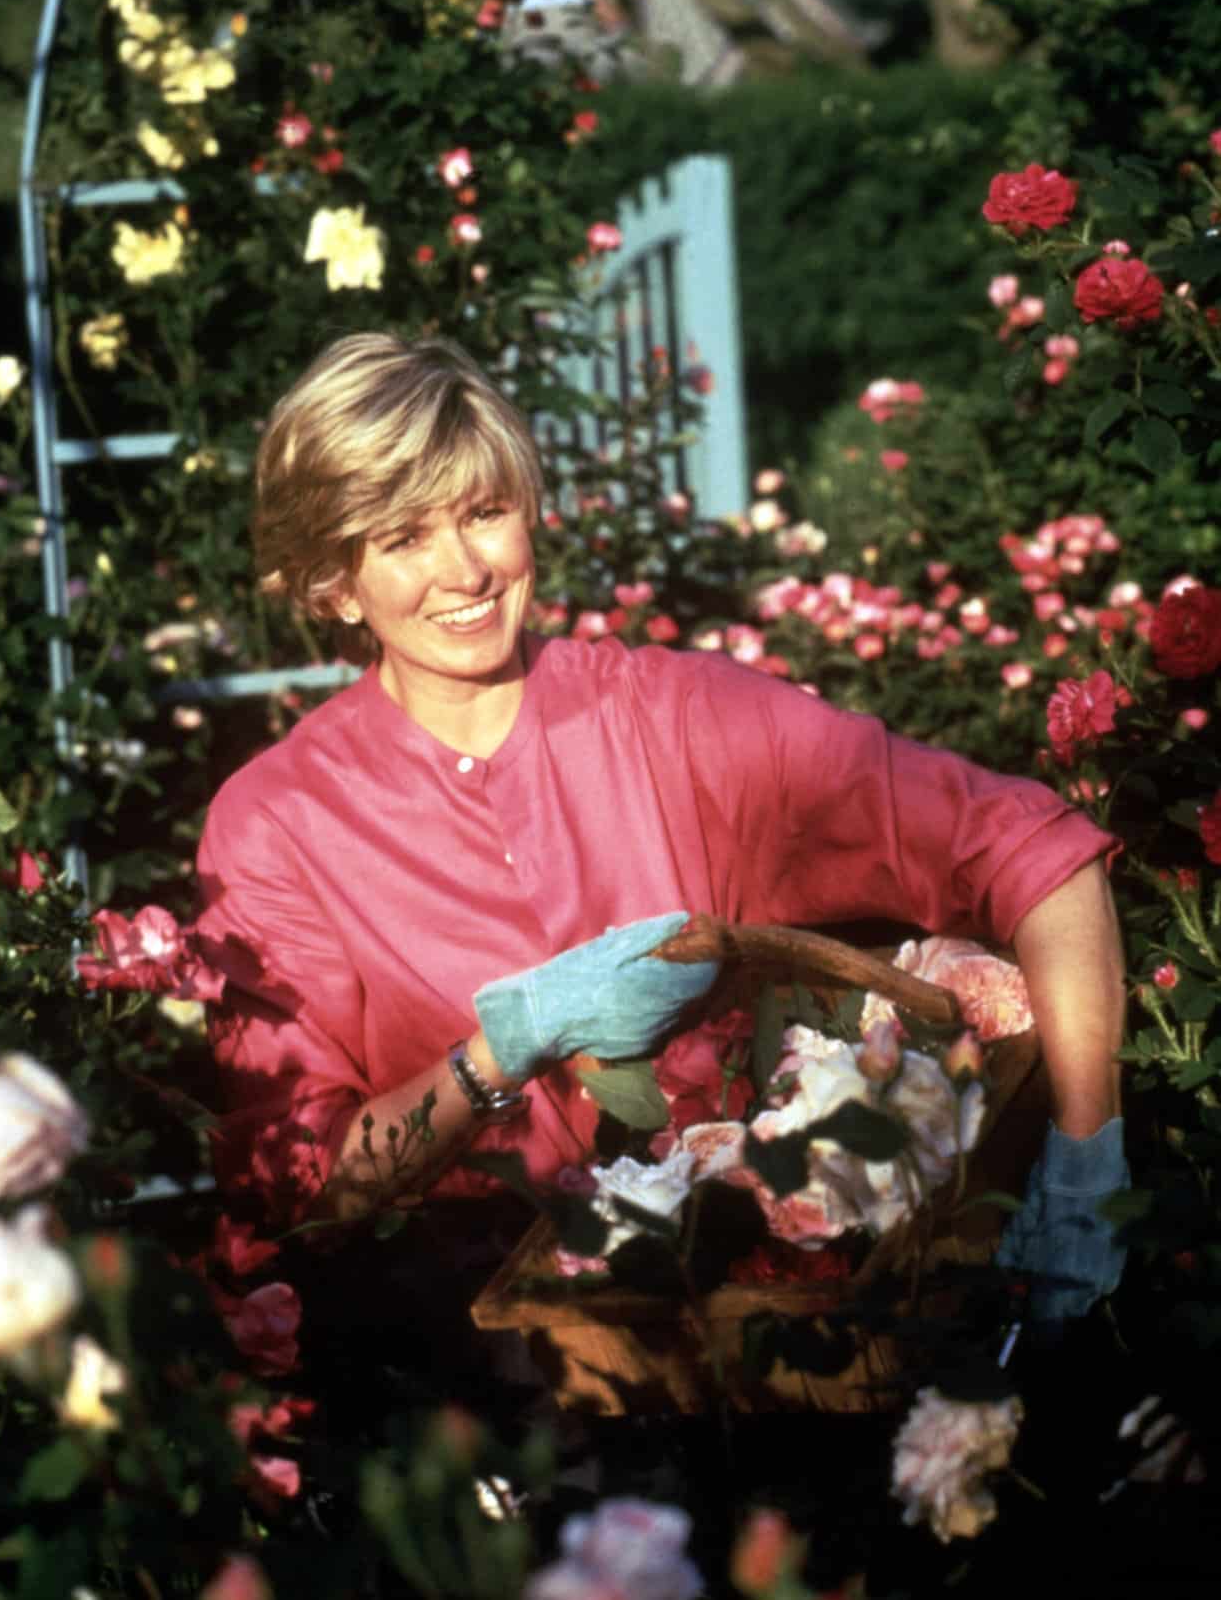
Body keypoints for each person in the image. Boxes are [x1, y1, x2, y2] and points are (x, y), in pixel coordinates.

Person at [195, 332, 1128, 1330]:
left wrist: (1086, 1161)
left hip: (741, 1334)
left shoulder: (676, 722)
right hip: (462, 1369)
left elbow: (1032, 848)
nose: (464, 568)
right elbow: (308, 1193)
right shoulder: (277, 825)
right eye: (405, 538)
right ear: (334, 582)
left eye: (483, 514)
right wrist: (501, 1051)